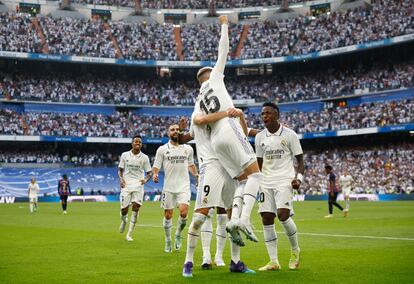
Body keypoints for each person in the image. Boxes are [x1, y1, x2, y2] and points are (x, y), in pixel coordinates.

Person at [195, 14, 262, 244]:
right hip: (228, 127)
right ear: (208, 74)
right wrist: (224, 24)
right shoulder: (214, 78)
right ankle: (242, 219)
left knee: (242, 181)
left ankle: (235, 219)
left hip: (216, 141)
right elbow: (223, 50)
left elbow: (199, 122)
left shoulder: (198, 99)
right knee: (256, 174)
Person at [179, 109, 255, 278]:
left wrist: (241, 116)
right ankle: (188, 262)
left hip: (231, 166)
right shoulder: (199, 112)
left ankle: (236, 263)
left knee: (233, 217)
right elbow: (187, 135)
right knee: (199, 217)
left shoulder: (228, 113)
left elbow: (242, 134)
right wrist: (179, 129)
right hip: (211, 165)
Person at [254, 102, 304, 271]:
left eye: (267, 113)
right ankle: (273, 261)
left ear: (276, 115)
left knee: (283, 215)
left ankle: (295, 250)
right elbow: (259, 163)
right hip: (265, 182)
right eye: (262, 114)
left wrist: (299, 178)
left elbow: (300, 160)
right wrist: (255, 183)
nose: (264, 116)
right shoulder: (260, 137)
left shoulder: (290, 135)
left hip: (284, 180)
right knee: (266, 218)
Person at [153, 124, 198, 253]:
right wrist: (155, 174)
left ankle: (178, 234)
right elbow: (156, 166)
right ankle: (168, 240)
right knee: (168, 215)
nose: (176, 131)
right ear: (168, 133)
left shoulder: (188, 149)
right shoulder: (162, 149)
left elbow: (191, 165)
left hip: (184, 186)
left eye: (177, 129)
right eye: (172, 129)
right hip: (168, 187)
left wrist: (196, 175)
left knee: (184, 213)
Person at [118, 135, 152, 241]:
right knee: (124, 210)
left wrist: (145, 180)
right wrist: (121, 179)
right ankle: (124, 221)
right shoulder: (124, 155)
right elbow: (120, 170)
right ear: (132, 143)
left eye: (140, 142)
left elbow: (149, 173)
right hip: (127, 185)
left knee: (136, 208)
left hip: (138, 185)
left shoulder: (145, 158)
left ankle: (129, 234)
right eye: (136, 142)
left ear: (141, 144)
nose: (138, 143)